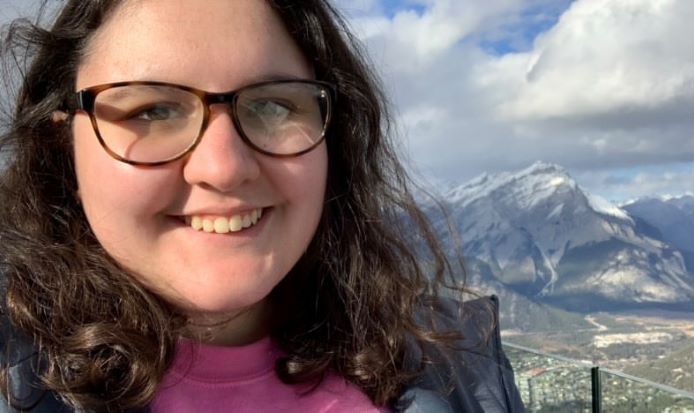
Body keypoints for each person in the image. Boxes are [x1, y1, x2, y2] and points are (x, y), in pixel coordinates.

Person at [0, 0, 525, 412]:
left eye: (274, 105)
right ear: (60, 148)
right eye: (152, 109)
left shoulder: (455, 360)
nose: (224, 167)